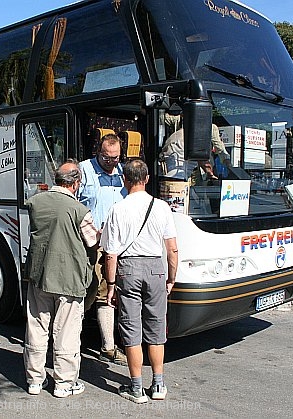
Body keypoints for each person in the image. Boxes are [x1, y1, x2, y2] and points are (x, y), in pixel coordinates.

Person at [102, 159, 178, 403]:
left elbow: (110, 253)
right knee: (156, 328)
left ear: (125, 180)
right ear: (146, 179)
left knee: (131, 328)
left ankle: (136, 388)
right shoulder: (162, 207)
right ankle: (158, 385)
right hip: (156, 268)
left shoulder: (117, 209)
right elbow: (172, 250)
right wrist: (171, 278)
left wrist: (111, 285)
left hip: (128, 269)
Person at [23, 160, 99, 398]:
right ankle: (64, 383)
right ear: (75, 184)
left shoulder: (36, 202)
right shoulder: (79, 211)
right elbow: (92, 242)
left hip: (39, 274)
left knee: (36, 326)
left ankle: (35, 380)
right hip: (69, 278)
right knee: (66, 331)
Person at [78, 133, 128, 366]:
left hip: (117, 244)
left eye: (115, 158)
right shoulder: (84, 170)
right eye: (107, 158)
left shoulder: (122, 172)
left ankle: (108, 346)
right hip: (91, 244)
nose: (111, 163)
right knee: (88, 292)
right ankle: (67, 336)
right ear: (98, 151)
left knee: (108, 293)